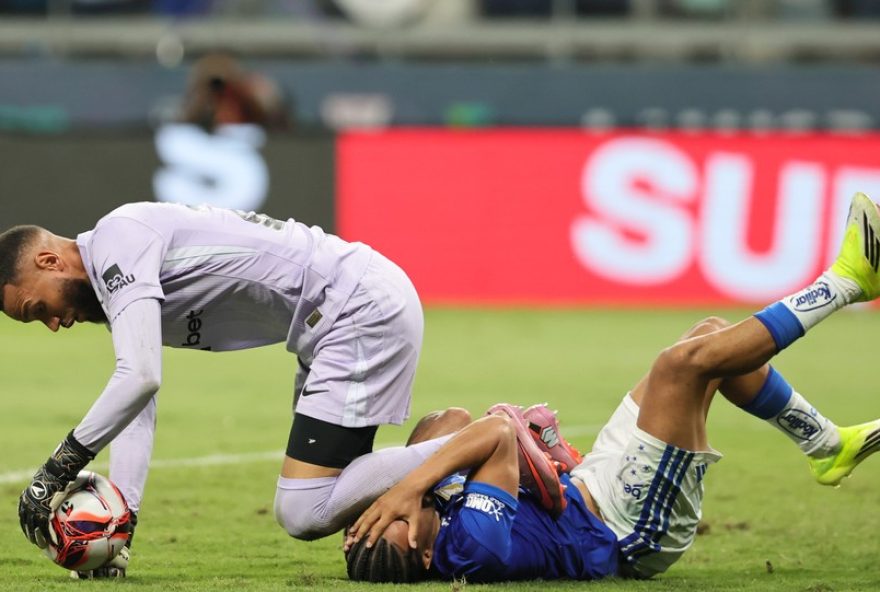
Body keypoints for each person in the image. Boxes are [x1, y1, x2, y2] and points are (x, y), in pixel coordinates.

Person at [345, 192, 880, 582]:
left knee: (712, 337)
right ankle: (847, 283)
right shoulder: (471, 550)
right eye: (396, 520)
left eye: (378, 519)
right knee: (684, 366)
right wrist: (409, 485)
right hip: (626, 530)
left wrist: (415, 481)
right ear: (419, 550)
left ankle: (827, 446)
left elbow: (453, 422)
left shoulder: (431, 516)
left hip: (591, 488)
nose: (389, 510)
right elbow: (495, 437)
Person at [1, 201, 453, 577]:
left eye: (39, 308)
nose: (55, 324)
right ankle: (454, 447)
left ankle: (488, 437)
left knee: (305, 509)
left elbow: (140, 376)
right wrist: (123, 520)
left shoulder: (118, 243)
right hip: (335, 321)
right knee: (347, 510)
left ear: (49, 261)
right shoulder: (114, 272)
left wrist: (57, 469)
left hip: (355, 310)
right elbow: (137, 400)